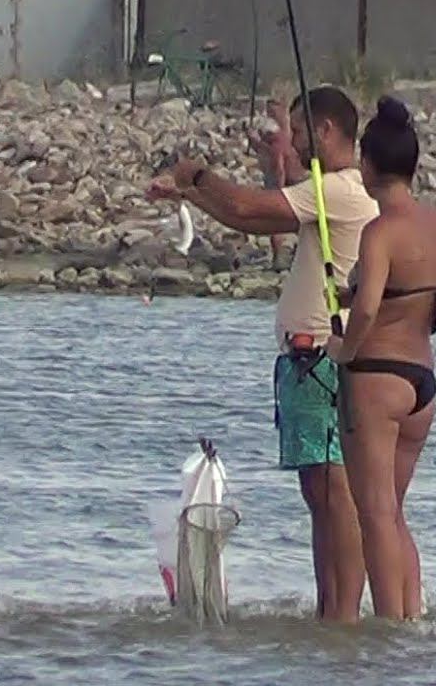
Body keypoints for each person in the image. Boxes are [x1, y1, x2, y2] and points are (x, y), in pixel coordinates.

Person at [146, 86, 378, 623]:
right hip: (305, 366)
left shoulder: (339, 189)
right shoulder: (327, 193)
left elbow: (251, 207)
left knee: (334, 495)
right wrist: (191, 193)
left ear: (326, 130)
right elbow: (251, 220)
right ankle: (331, 611)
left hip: (320, 363)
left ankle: (342, 613)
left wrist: (197, 175)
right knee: (319, 497)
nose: (294, 145)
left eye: (299, 133)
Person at [324, 96, 436, 621]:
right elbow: (408, 292)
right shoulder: (434, 225)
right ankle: (410, 619)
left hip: (377, 378)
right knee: (394, 514)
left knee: (373, 515)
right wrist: (353, 293)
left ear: (369, 164)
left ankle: (388, 629)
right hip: (422, 381)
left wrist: (344, 349)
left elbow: (370, 307)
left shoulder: (379, 231)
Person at [249, 97, 297, 272]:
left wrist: (279, 189)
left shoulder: (279, 138)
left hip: (278, 180)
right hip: (285, 178)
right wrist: (256, 143)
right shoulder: (286, 132)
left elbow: (279, 164)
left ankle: (280, 258)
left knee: (275, 220)